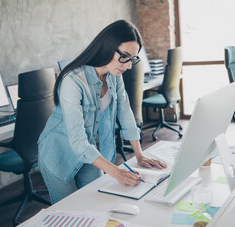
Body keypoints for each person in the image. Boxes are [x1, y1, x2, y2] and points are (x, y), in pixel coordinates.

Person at [38, 20, 167, 204]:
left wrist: (139, 154)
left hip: (88, 153)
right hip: (59, 155)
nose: (129, 66)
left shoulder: (115, 76)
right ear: (108, 47)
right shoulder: (73, 81)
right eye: (125, 57)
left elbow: (125, 113)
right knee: (70, 211)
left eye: (133, 59)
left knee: (100, 201)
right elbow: (78, 142)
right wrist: (116, 172)